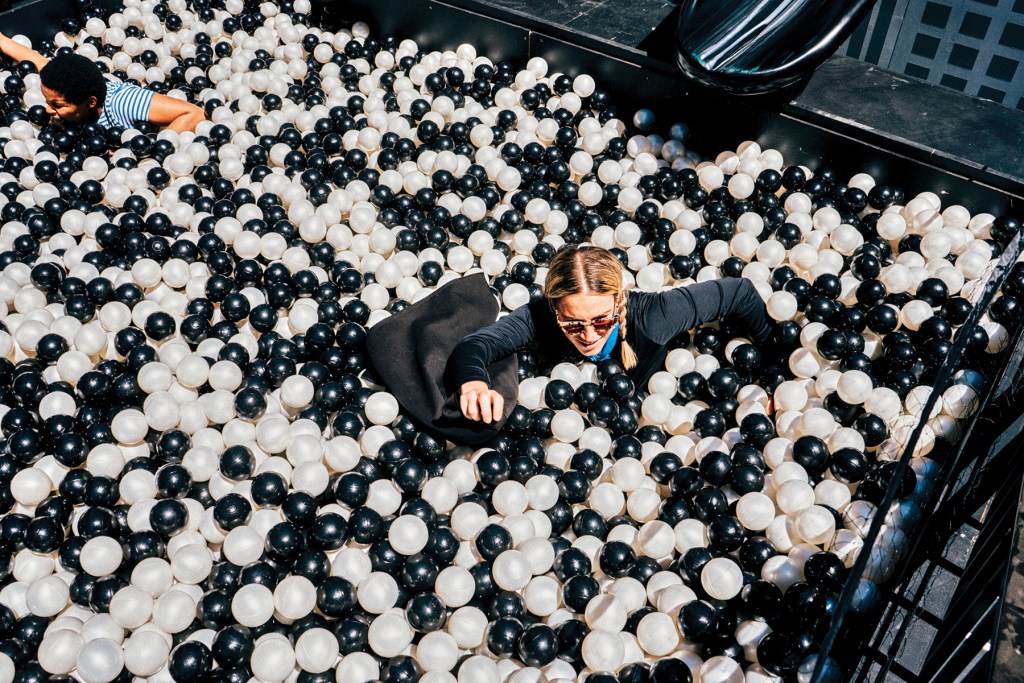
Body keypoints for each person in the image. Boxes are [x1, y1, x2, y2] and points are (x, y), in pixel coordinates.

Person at [453, 245, 774, 423]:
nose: (589, 335)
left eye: (601, 321)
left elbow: (740, 292)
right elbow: (480, 343)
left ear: (618, 302)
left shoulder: (654, 315)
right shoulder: (541, 317)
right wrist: (473, 383)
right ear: (555, 310)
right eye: (574, 324)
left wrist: (771, 368)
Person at [0, 33, 205, 133]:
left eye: (58, 105)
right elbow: (38, 60)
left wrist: (149, 152)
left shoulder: (123, 102)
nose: (48, 110)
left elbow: (193, 113)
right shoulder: (59, 83)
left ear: (90, 102)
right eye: (48, 101)